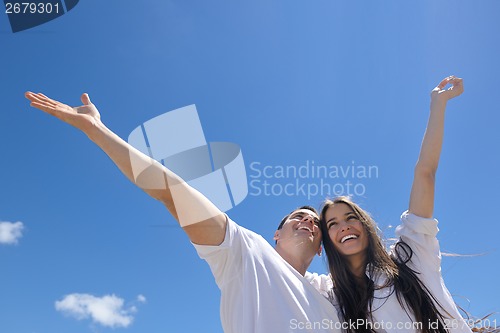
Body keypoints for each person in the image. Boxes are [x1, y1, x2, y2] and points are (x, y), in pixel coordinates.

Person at [24, 92, 339, 333]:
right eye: (297, 216)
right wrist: (96, 130)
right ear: (277, 234)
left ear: (321, 244)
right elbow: (170, 190)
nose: (307, 222)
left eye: (315, 223)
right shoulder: (245, 252)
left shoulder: (332, 291)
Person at [319, 76, 475, 333]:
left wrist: (438, 103)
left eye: (350, 217)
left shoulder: (410, 256)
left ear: (365, 224)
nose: (344, 226)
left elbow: (425, 172)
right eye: (332, 224)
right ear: (326, 241)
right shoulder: (333, 300)